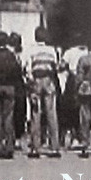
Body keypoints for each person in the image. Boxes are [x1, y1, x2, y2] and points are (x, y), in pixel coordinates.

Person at [24, 27, 61, 159]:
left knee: (35, 113)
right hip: (49, 80)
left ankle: (36, 147)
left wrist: (30, 82)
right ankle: (55, 146)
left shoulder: (31, 50)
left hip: (36, 81)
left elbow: (27, 68)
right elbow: (56, 67)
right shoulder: (51, 50)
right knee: (51, 113)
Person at [0, 32, 23, 159]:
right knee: (8, 117)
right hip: (10, 88)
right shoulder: (12, 56)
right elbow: (19, 71)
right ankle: (9, 146)